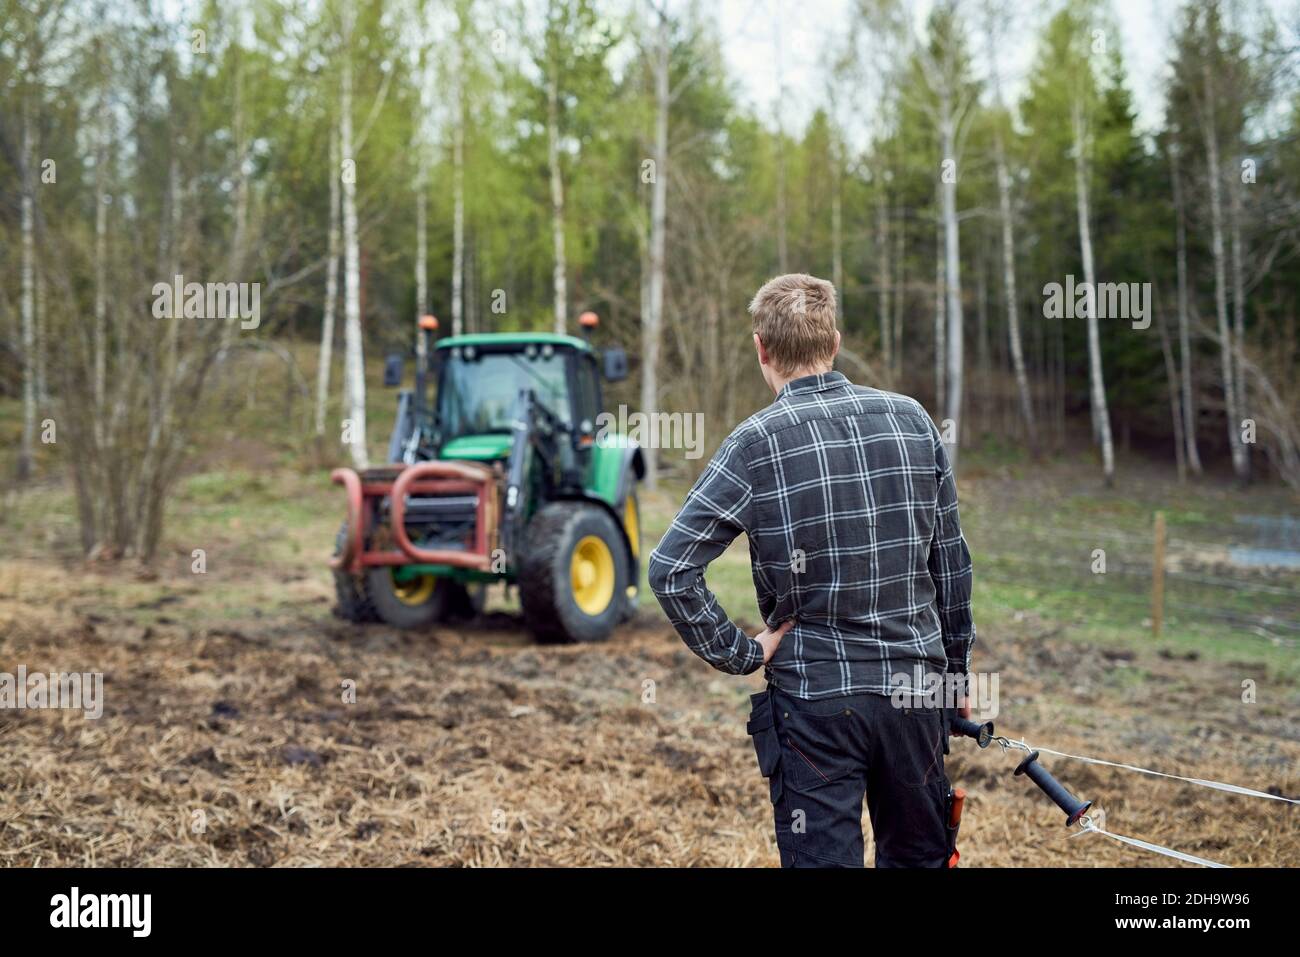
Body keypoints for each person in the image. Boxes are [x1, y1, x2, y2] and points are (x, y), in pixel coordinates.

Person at [648, 273, 975, 868]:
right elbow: (951, 566)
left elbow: (671, 569)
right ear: (834, 340)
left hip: (816, 703)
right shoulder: (912, 421)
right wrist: (955, 681)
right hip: (916, 694)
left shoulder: (755, 442)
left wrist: (744, 653)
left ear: (761, 349)